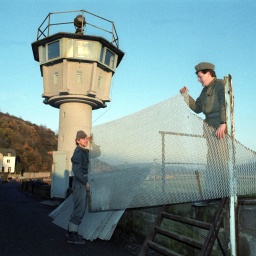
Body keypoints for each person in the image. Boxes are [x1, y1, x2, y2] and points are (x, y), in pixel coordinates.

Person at [180, 62, 227, 206]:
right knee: (212, 161)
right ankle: (217, 194)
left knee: (218, 161)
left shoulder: (219, 86)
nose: (198, 80)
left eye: (200, 77)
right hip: (209, 127)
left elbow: (224, 104)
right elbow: (197, 108)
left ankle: (213, 194)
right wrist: (185, 95)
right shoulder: (203, 91)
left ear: (208, 73)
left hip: (218, 126)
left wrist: (223, 123)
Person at [66, 130, 100, 244]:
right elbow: (76, 171)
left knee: (79, 208)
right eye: (83, 138)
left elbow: (98, 153)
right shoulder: (78, 153)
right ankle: (72, 236)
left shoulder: (85, 152)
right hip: (79, 183)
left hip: (82, 182)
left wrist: (92, 142)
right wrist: (86, 182)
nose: (86, 140)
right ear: (77, 141)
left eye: (86, 138)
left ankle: (71, 232)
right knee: (79, 209)